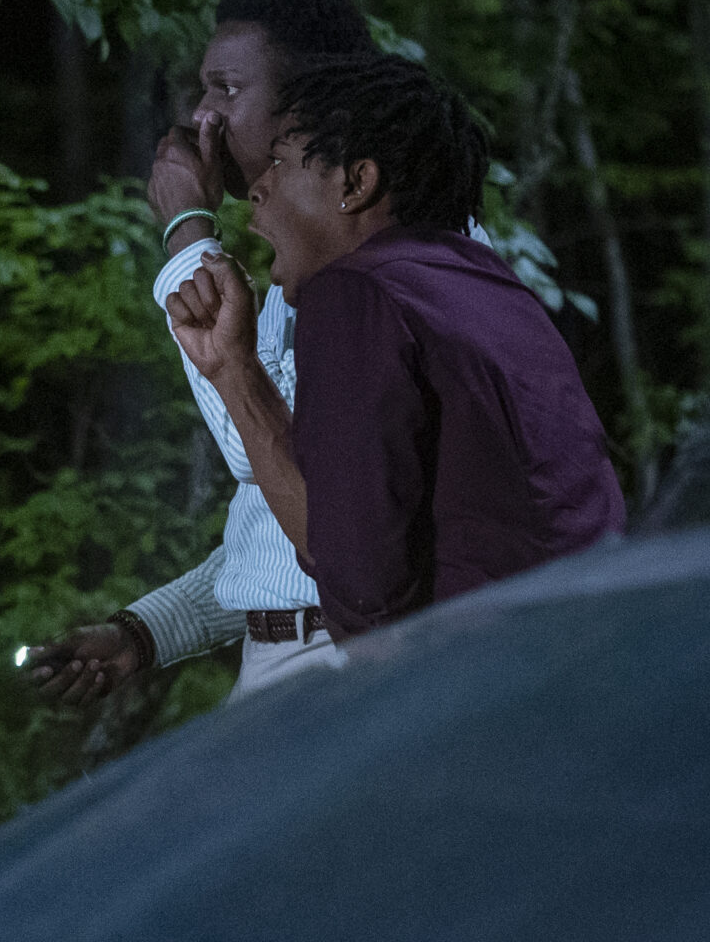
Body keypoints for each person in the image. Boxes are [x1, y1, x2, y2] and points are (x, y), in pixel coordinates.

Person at [166, 51, 624, 639]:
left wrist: (235, 369)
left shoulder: (356, 292)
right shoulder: (489, 283)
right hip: (586, 644)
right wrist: (234, 369)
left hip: (480, 668)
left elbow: (364, 587)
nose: (257, 188)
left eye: (280, 162)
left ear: (357, 182)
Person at [24, 0, 373, 706]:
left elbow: (263, 449)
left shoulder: (378, 267)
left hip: (350, 667)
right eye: (202, 91)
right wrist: (143, 632)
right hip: (288, 663)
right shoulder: (298, 270)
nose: (202, 116)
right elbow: (276, 529)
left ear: (310, 103)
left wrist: (187, 231)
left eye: (227, 89)